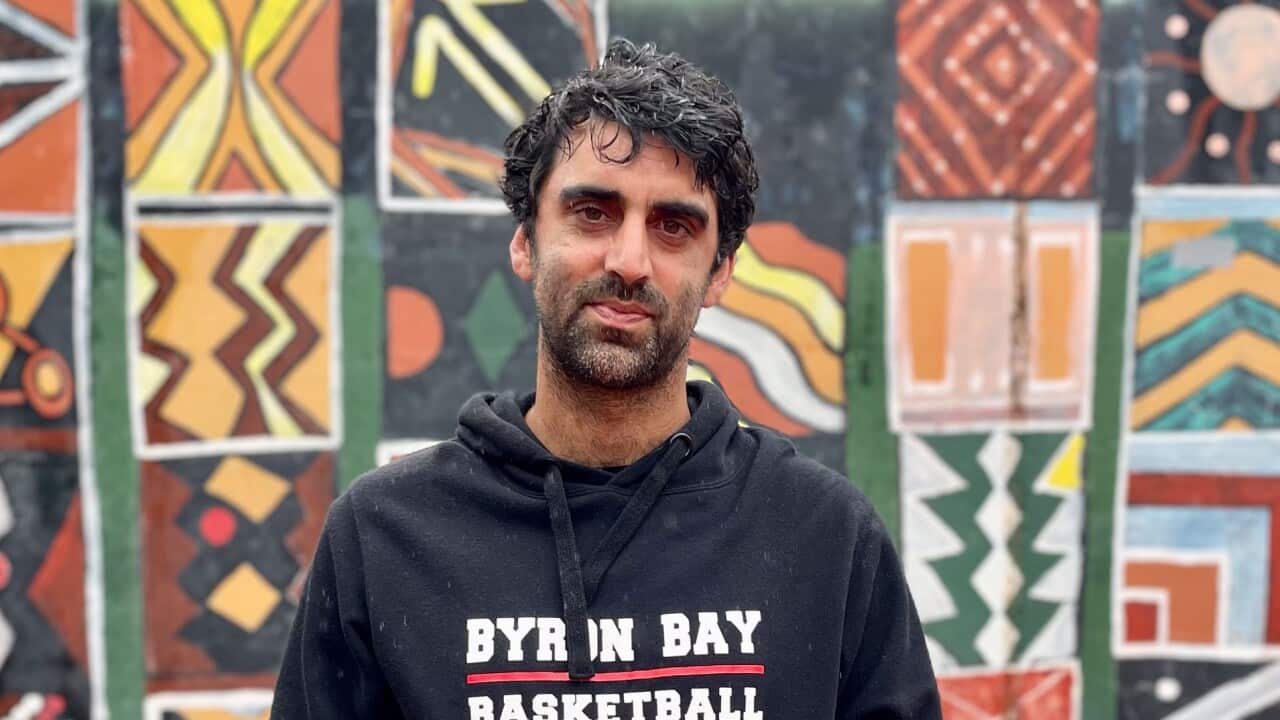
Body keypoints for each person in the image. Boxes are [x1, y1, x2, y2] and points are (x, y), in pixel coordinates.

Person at [272, 38, 941, 719]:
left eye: (673, 226)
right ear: (526, 241)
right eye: (593, 213)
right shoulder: (385, 535)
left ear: (720, 272)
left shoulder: (824, 537)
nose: (629, 260)